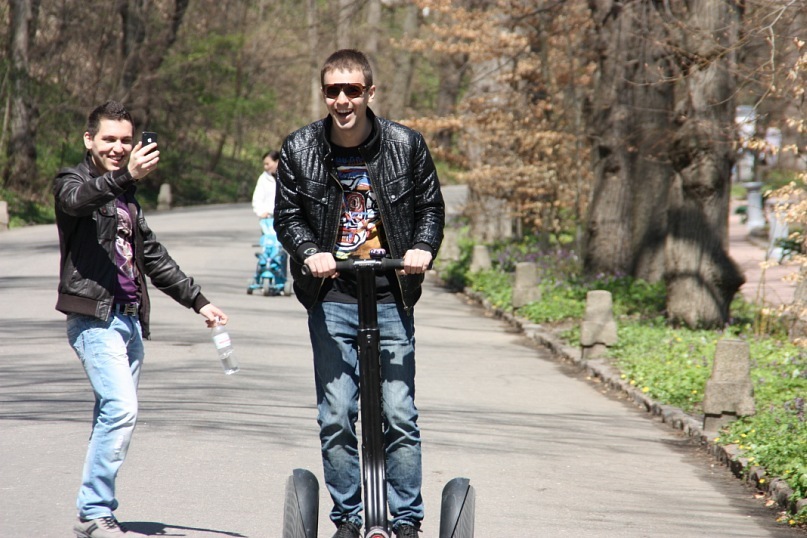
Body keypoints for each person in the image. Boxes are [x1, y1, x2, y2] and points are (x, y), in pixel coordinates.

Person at [274, 49, 445, 538]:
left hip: (391, 292)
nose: (343, 100)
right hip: (332, 295)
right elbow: (288, 216)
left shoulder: (405, 144)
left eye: (352, 89)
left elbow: (430, 207)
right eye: (333, 90)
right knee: (336, 414)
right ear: (323, 93)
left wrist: (421, 247)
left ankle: (406, 521)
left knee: (399, 412)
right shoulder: (300, 147)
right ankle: (349, 517)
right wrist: (310, 251)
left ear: (370, 92)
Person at [53, 100, 228, 538]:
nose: (118, 147)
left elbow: (152, 256)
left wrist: (198, 301)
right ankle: (95, 510)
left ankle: (93, 510)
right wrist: (125, 176)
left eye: (126, 140)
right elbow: (77, 202)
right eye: (109, 139)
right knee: (121, 409)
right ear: (88, 139)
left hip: (129, 322)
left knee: (111, 415)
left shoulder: (126, 199)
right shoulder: (72, 181)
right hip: (94, 319)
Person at [251, 150, 280, 219]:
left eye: (267, 164)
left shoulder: (288, 177)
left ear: (277, 161)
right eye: (264, 164)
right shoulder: (263, 178)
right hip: (269, 218)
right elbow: (257, 198)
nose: (265, 167)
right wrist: (261, 212)